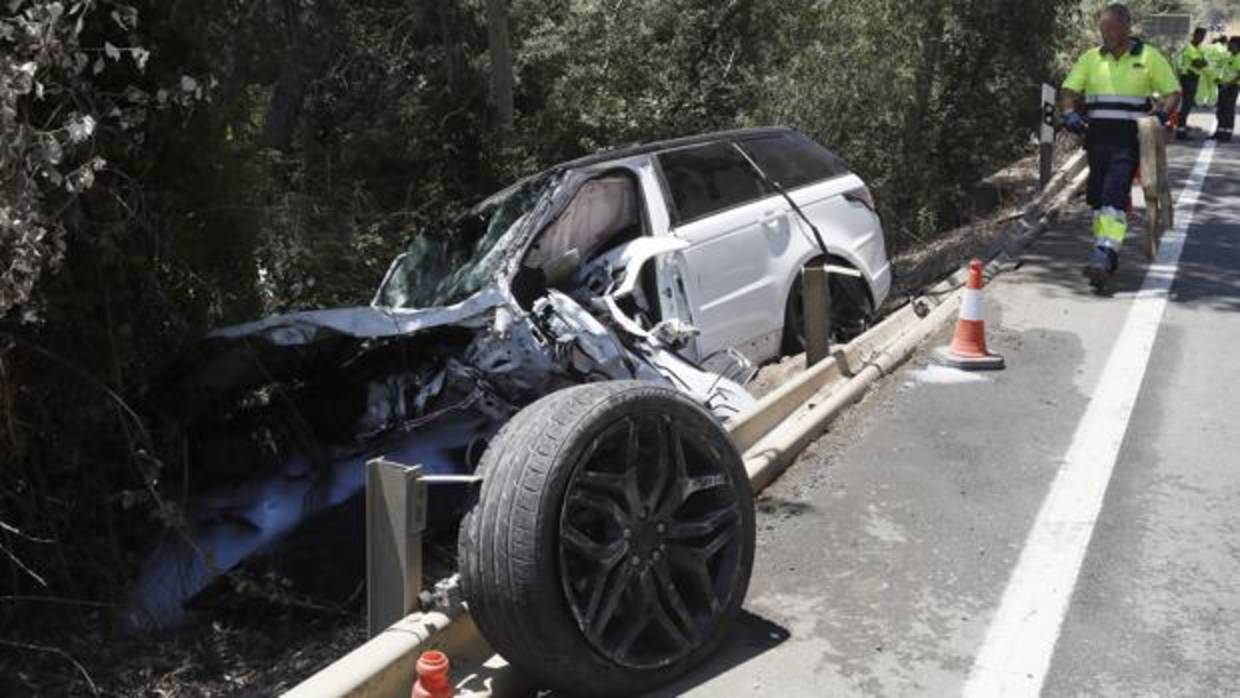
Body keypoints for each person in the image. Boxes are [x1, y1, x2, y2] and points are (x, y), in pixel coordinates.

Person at [1060, 3, 1181, 291]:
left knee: (1115, 194)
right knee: (1097, 197)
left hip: (1129, 140)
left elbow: (1172, 93)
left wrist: (1162, 115)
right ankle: (1106, 251)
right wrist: (1068, 113)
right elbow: (1068, 90)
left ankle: (1104, 253)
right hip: (1097, 138)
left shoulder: (1149, 57)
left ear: (1127, 27)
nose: (1107, 34)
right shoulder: (1091, 58)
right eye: (1103, 28)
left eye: (1112, 28)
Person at [1176, 27, 1209, 139]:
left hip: (1193, 78)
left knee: (1188, 105)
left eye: (1204, 37)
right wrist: (1202, 62)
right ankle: (1181, 131)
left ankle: (1182, 128)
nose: (1202, 39)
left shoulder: (1198, 48)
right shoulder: (1190, 48)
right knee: (1186, 105)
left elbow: (1203, 62)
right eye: (1200, 36)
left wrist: (1203, 62)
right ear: (1195, 35)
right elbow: (1199, 64)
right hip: (1188, 78)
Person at [1210, 37, 1240, 142]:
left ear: (1236, 45)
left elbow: (1238, 75)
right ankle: (1219, 132)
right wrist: (1219, 80)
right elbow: (1227, 71)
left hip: (1232, 87)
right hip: (1224, 86)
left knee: (1228, 110)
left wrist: (1228, 84)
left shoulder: (1238, 58)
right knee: (1221, 109)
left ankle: (1227, 134)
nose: (1228, 46)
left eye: (1230, 44)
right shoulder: (1230, 56)